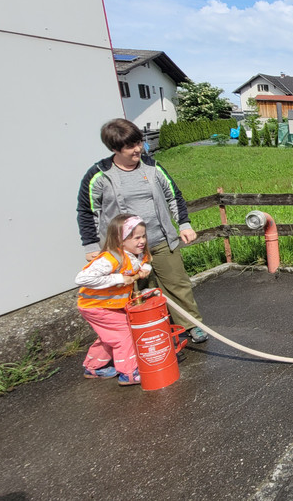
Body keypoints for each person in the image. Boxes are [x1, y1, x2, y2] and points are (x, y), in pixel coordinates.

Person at [77, 119, 209, 343]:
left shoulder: (153, 167)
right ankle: (151, 332)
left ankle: (191, 324)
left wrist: (184, 224)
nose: (137, 149)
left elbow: (173, 195)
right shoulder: (99, 175)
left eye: (138, 142)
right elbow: (87, 210)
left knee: (178, 285)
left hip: (161, 239)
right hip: (126, 251)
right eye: (130, 146)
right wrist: (90, 245)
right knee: (139, 290)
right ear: (114, 149)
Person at [75, 214, 150, 386]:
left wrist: (145, 269)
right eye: (136, 237)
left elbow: (145, 262)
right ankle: (129, 373)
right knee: (124, 334)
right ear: (120, 239)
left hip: (110, 306)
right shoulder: (110, 259)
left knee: (109, 336)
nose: (142, 241)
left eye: (143, 236)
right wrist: (118, 279)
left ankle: (94, 367)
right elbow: (82, 278)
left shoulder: (134, 254)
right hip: (96, 306)